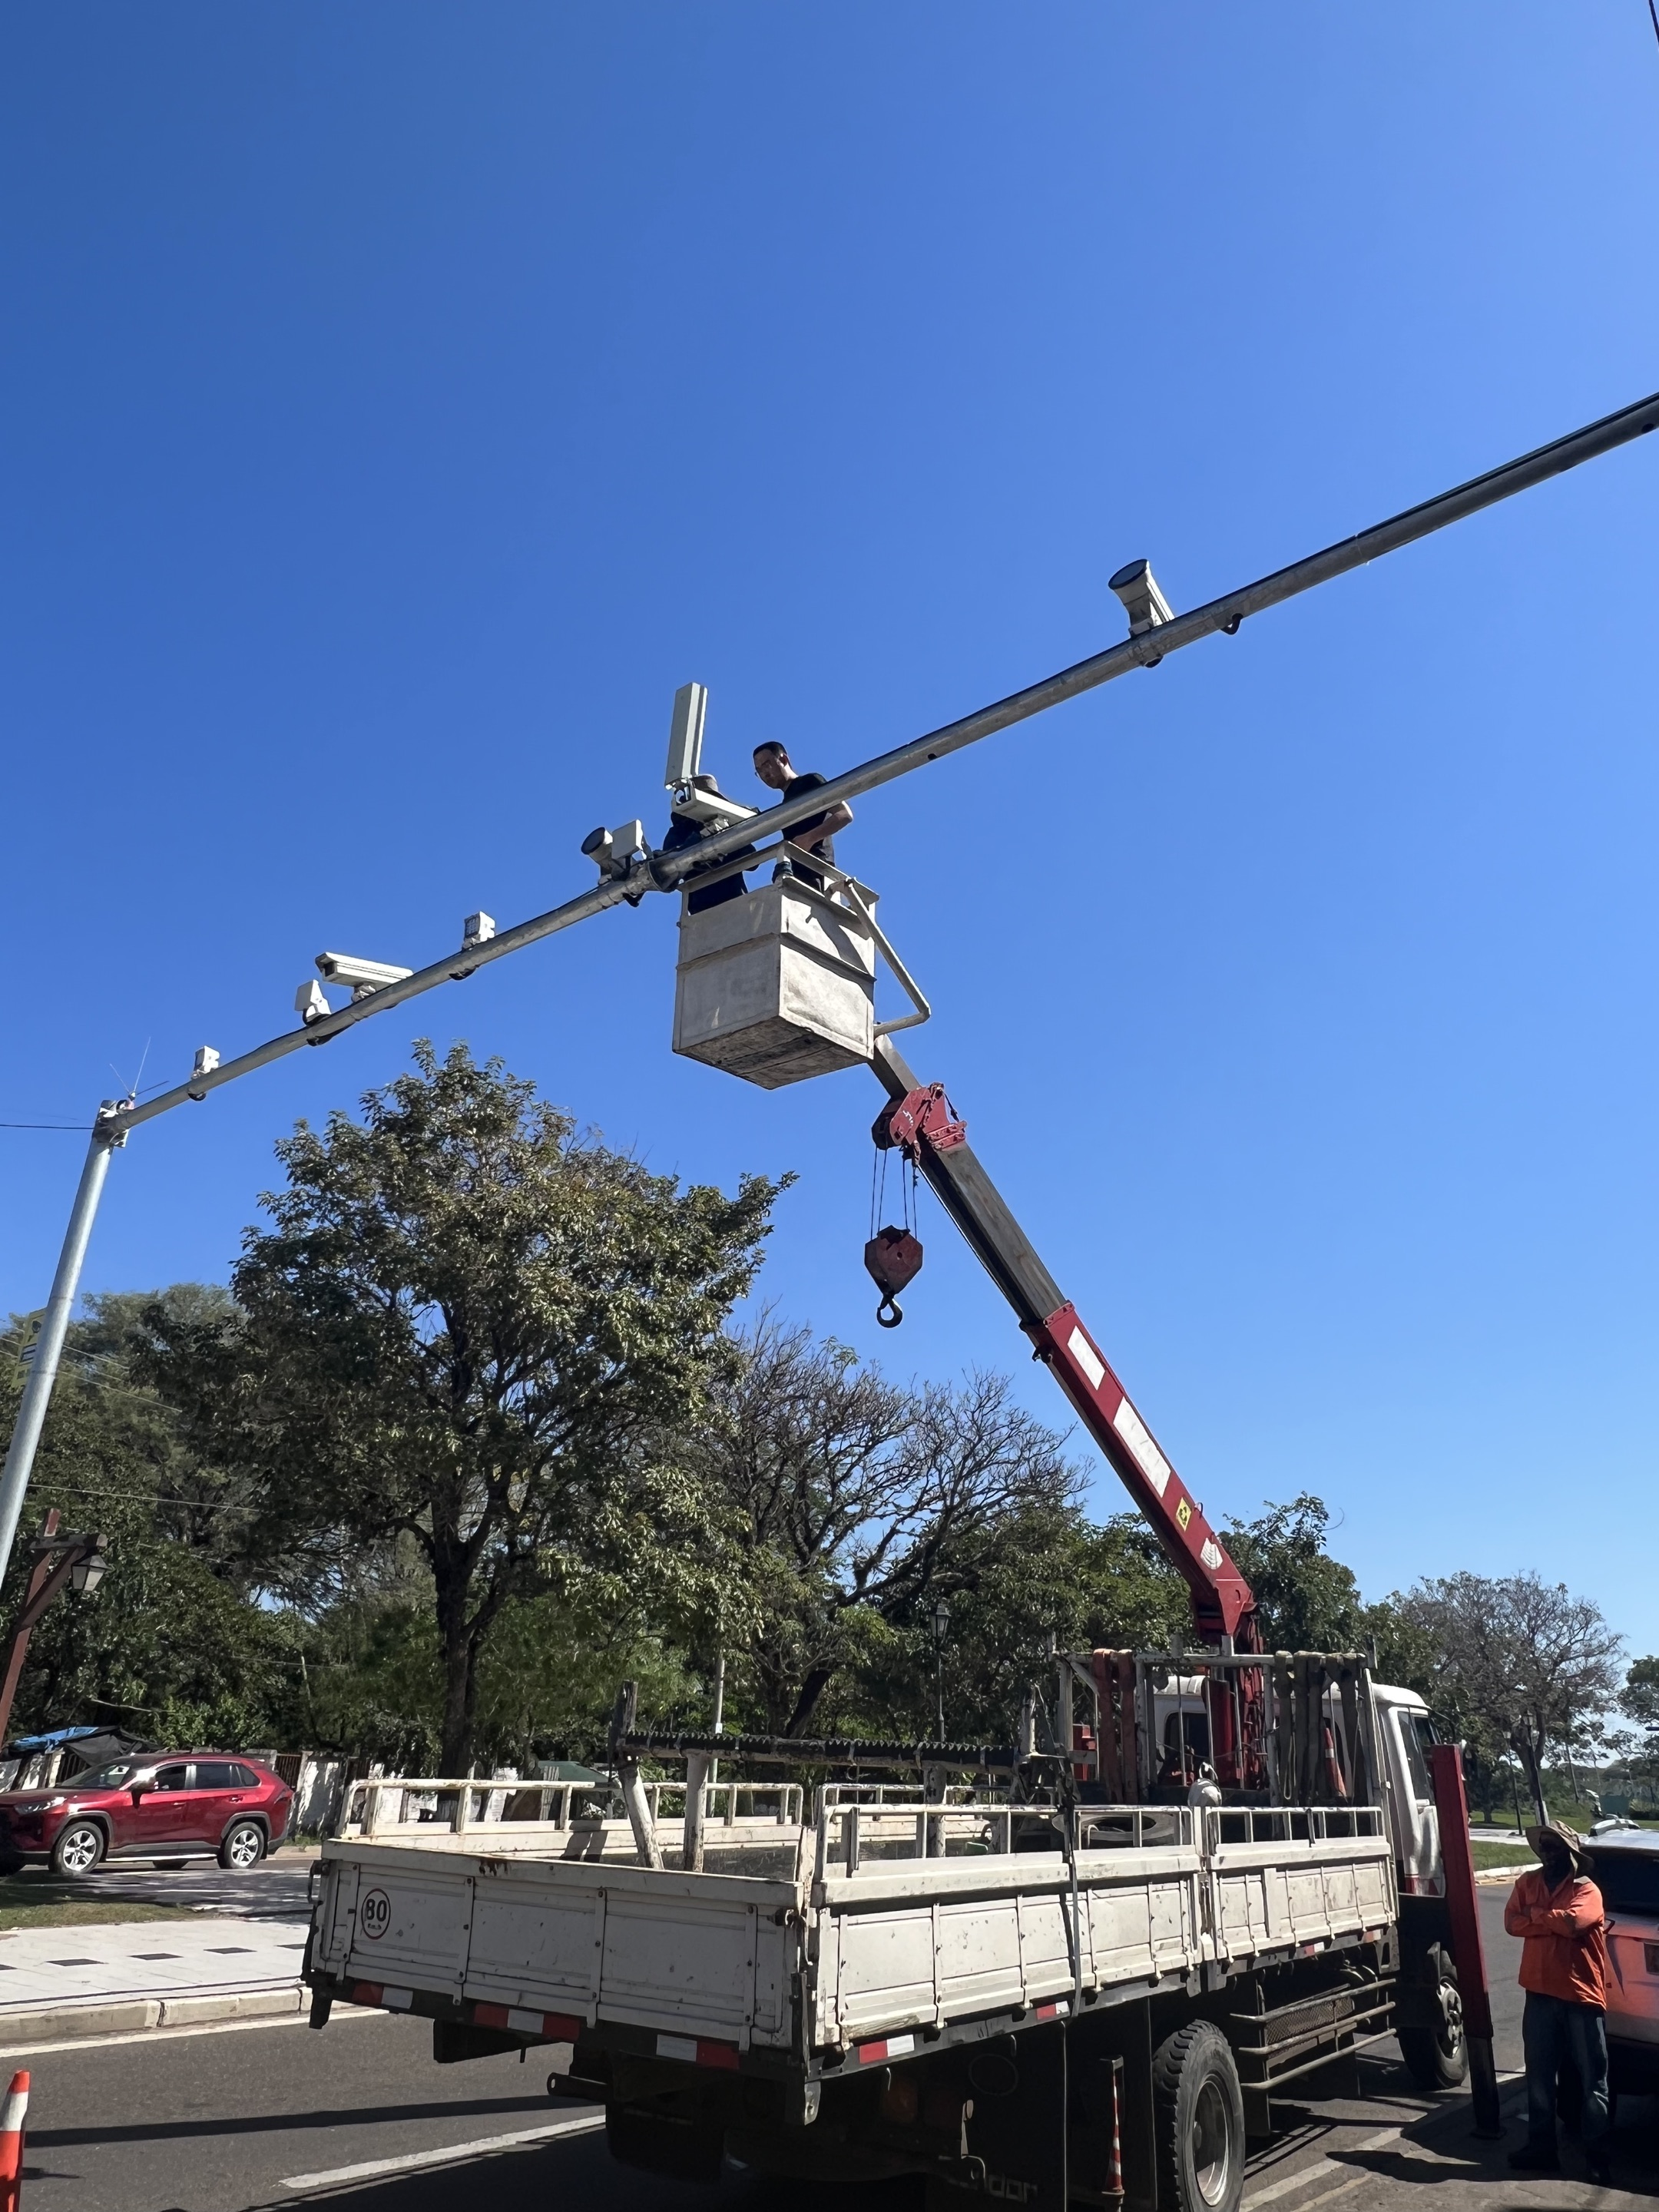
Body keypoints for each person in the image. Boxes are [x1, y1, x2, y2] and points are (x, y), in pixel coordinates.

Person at [1503, 1819, 1612, 2184]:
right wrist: (1549, 1920)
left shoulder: (1587, 1889)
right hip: (1539, 1994)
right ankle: (1541, 2149)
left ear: (1569, 1852)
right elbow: (1511, 1923)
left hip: (1580, 1996)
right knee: (1538, 2078)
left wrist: (1535, 1916)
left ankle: (1597, 2157)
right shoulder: (1527, 1883)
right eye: (1544, 1846)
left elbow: (1573, 1924)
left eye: (1554, 1847)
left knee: (1592, 2081)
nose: (1547, 1853)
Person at [753, 740, 853, 893]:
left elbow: (844, 814)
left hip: (817, 869)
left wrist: (808, 839)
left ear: (783, 759)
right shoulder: (785, 804)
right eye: (759, 770)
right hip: (796, 873)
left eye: (767, 765)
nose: (764, 774)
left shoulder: (809, 782)